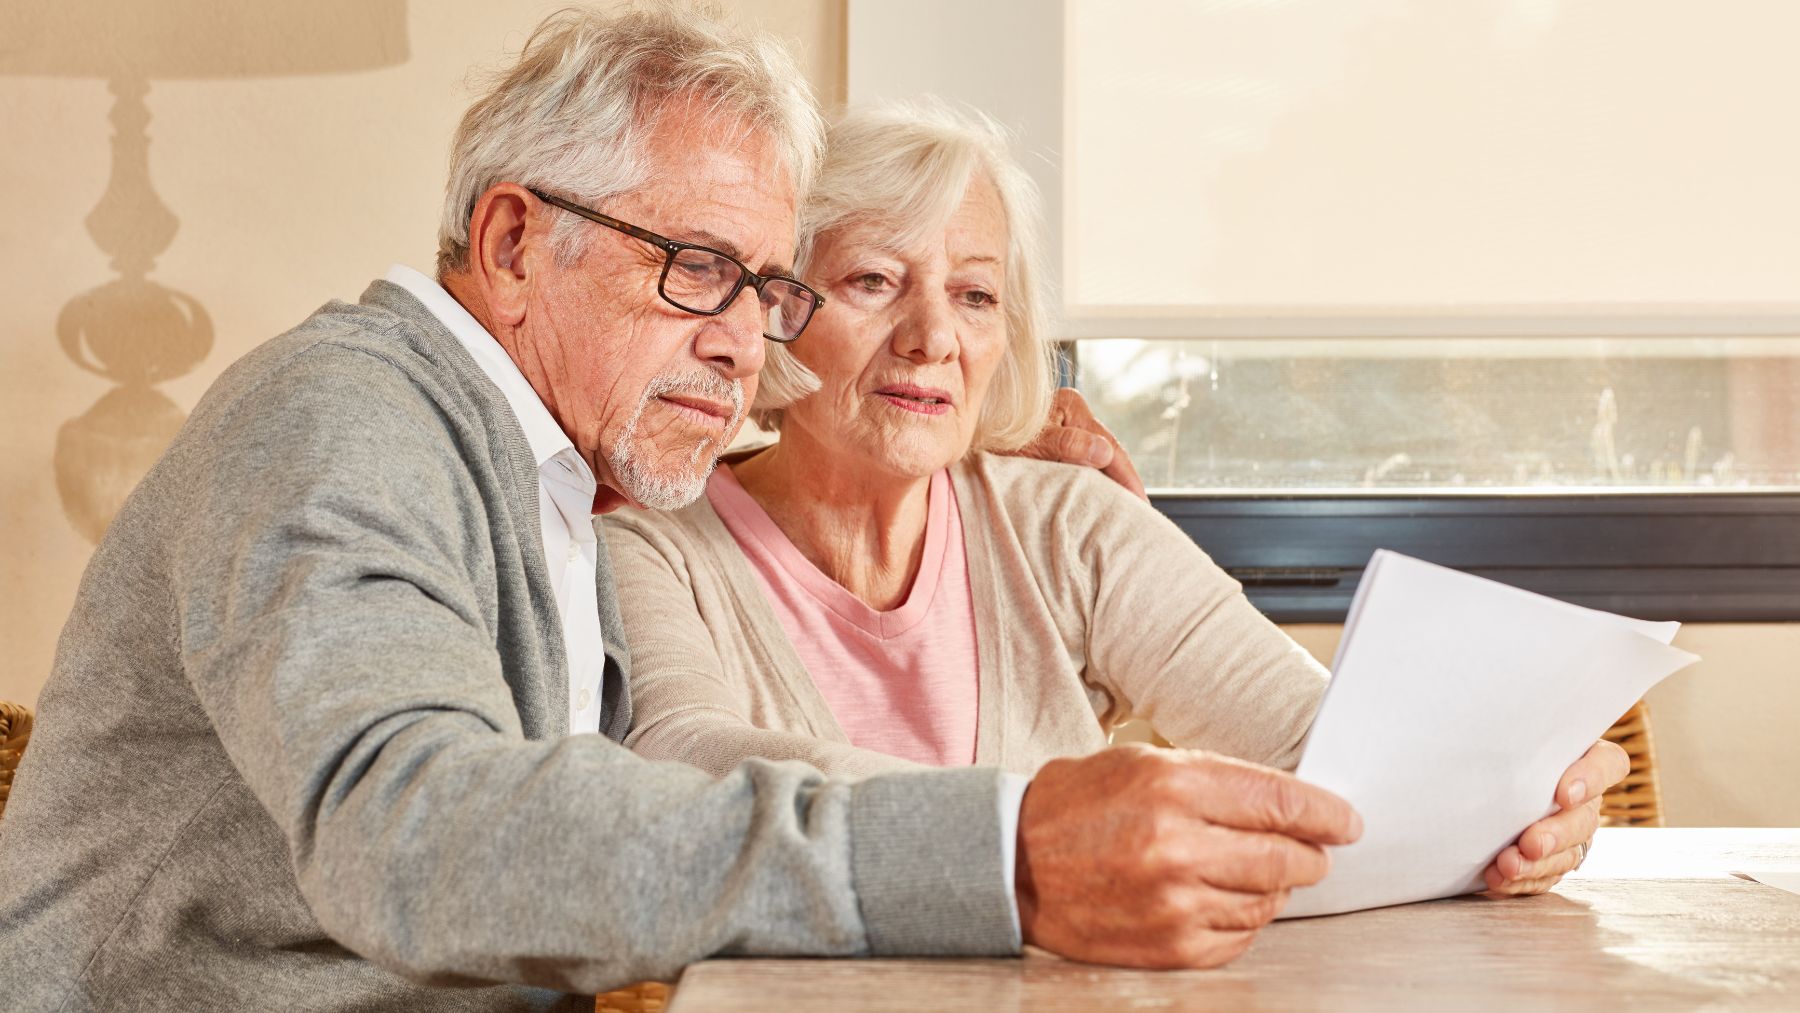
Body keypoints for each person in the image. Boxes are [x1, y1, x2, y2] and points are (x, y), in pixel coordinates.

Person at [0, 8, 1366, 1010]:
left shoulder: (562, 471)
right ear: (514, 243)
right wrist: (998, 847)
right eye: (696, 267)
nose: (742, 341)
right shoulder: (343, 421)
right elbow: (412, 836)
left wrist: (1007, 429)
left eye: (768, 288)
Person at [606, 100, 1627, 910]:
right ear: (779, 307)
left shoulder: (1066, 522)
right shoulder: (656, 543)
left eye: (974, 294)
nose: (933, 338)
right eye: (874, 279)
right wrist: (1044, 824)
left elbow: (1324, 751)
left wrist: (1523, 790)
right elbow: (685, 763)